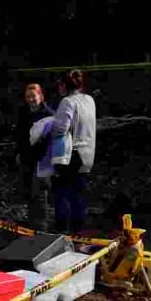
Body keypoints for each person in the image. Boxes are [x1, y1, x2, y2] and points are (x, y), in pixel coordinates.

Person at [48, 68, 97, 234]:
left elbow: (60, 130)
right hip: (87, 153)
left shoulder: (67, 102)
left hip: (71, 154)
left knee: (61, 193)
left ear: (63, 85)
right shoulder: (89, 99)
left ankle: (62, 232)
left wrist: (47, 128)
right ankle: (78, 233)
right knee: (78, 196)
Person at [15, 82, 54, 230]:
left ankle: (41, 224)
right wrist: (19, 152)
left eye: (33, 96)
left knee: (40, 190)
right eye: (28, 97)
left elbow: (52, 138)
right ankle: (32, 222)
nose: (30, 99)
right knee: (29, 190)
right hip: (27, 156)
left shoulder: (49, 114)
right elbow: (19, 135)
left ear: (41, 96)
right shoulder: (23, 113)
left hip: (43, 157)